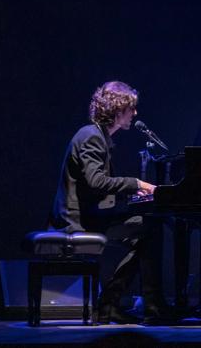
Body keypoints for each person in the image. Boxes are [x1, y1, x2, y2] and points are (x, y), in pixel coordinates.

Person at [48, 81, 167, 324]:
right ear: (117, 108)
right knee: (151, 229)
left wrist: (133, 194)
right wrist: (136, 185)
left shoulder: (97, 137)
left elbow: (98, 186)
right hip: (76, 221)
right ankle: (138, 305)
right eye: (131, 108)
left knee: (147, 230)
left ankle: (113, 304)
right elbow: (96, 182)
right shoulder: (91, 137)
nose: (135, 114)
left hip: (87, 214)